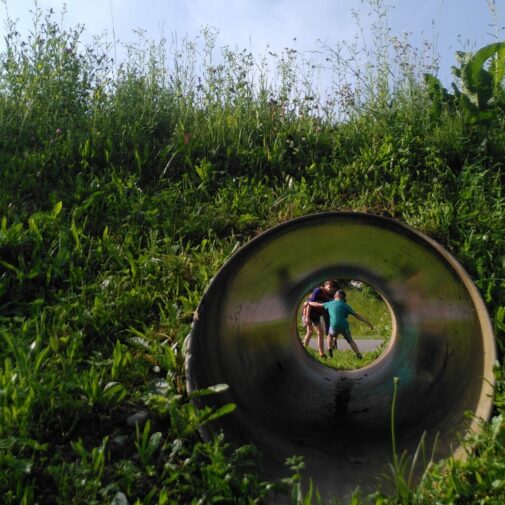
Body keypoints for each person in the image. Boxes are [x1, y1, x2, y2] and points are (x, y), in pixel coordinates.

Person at [308, 289, 373, 359]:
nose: (334, 293)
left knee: (330, 336)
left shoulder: (330, 303)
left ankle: (330, 355)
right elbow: (356, 315)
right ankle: (359, 356)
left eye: (336, 292)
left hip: (334, 326)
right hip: (344, 326)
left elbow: (317, 304)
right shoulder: (345, 305)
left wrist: (309, 302)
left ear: (338, 295)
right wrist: (368, 323)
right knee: (350, 340)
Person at [302, 280, 336, 358]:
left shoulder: (327, 296)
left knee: (312, 332)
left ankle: (306, 349)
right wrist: (307, 317)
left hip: (316, 315)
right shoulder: (318, 290)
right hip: (309, 313)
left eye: (332, 288)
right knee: (317, 332)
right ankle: (321, 354)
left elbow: (326, 309)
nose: (330, 289)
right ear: (325, 286)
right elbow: (309, 304)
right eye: (329, 287)